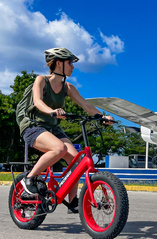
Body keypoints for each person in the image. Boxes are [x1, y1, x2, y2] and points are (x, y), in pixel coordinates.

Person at [18, 47, 114, 213]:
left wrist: (102, 116)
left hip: (52, 127)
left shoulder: (67, 87)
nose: (73, 67)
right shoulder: (41, 80)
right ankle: (29, 179)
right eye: (69, 62)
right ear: (58, 63)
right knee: (59, 148)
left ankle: (73, 201)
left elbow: (86, 105)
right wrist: (52, 111)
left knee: (76, 162)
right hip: (32, 125)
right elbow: (37, 102)